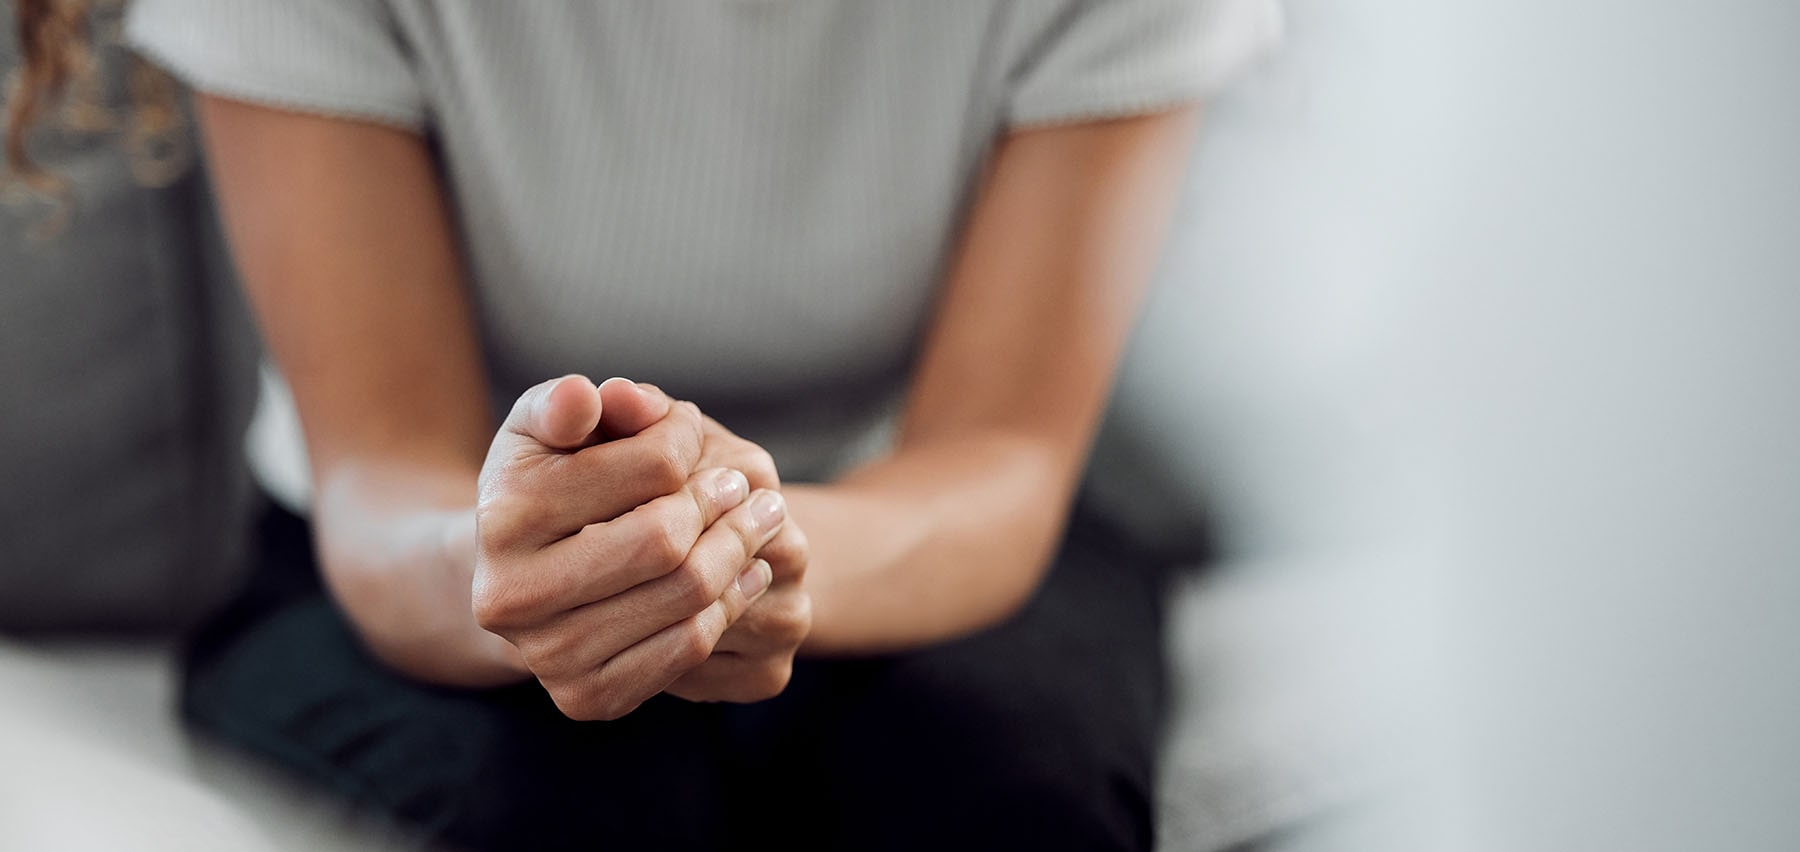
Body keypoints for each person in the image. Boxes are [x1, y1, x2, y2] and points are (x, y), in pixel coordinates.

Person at [12, 1, 1279, 849]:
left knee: (1010, 798)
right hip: (420, 550)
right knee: (557, 815)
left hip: (911, 519)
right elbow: (385, 467)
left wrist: (737, 553)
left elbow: (1001, 453)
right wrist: (529, 567)